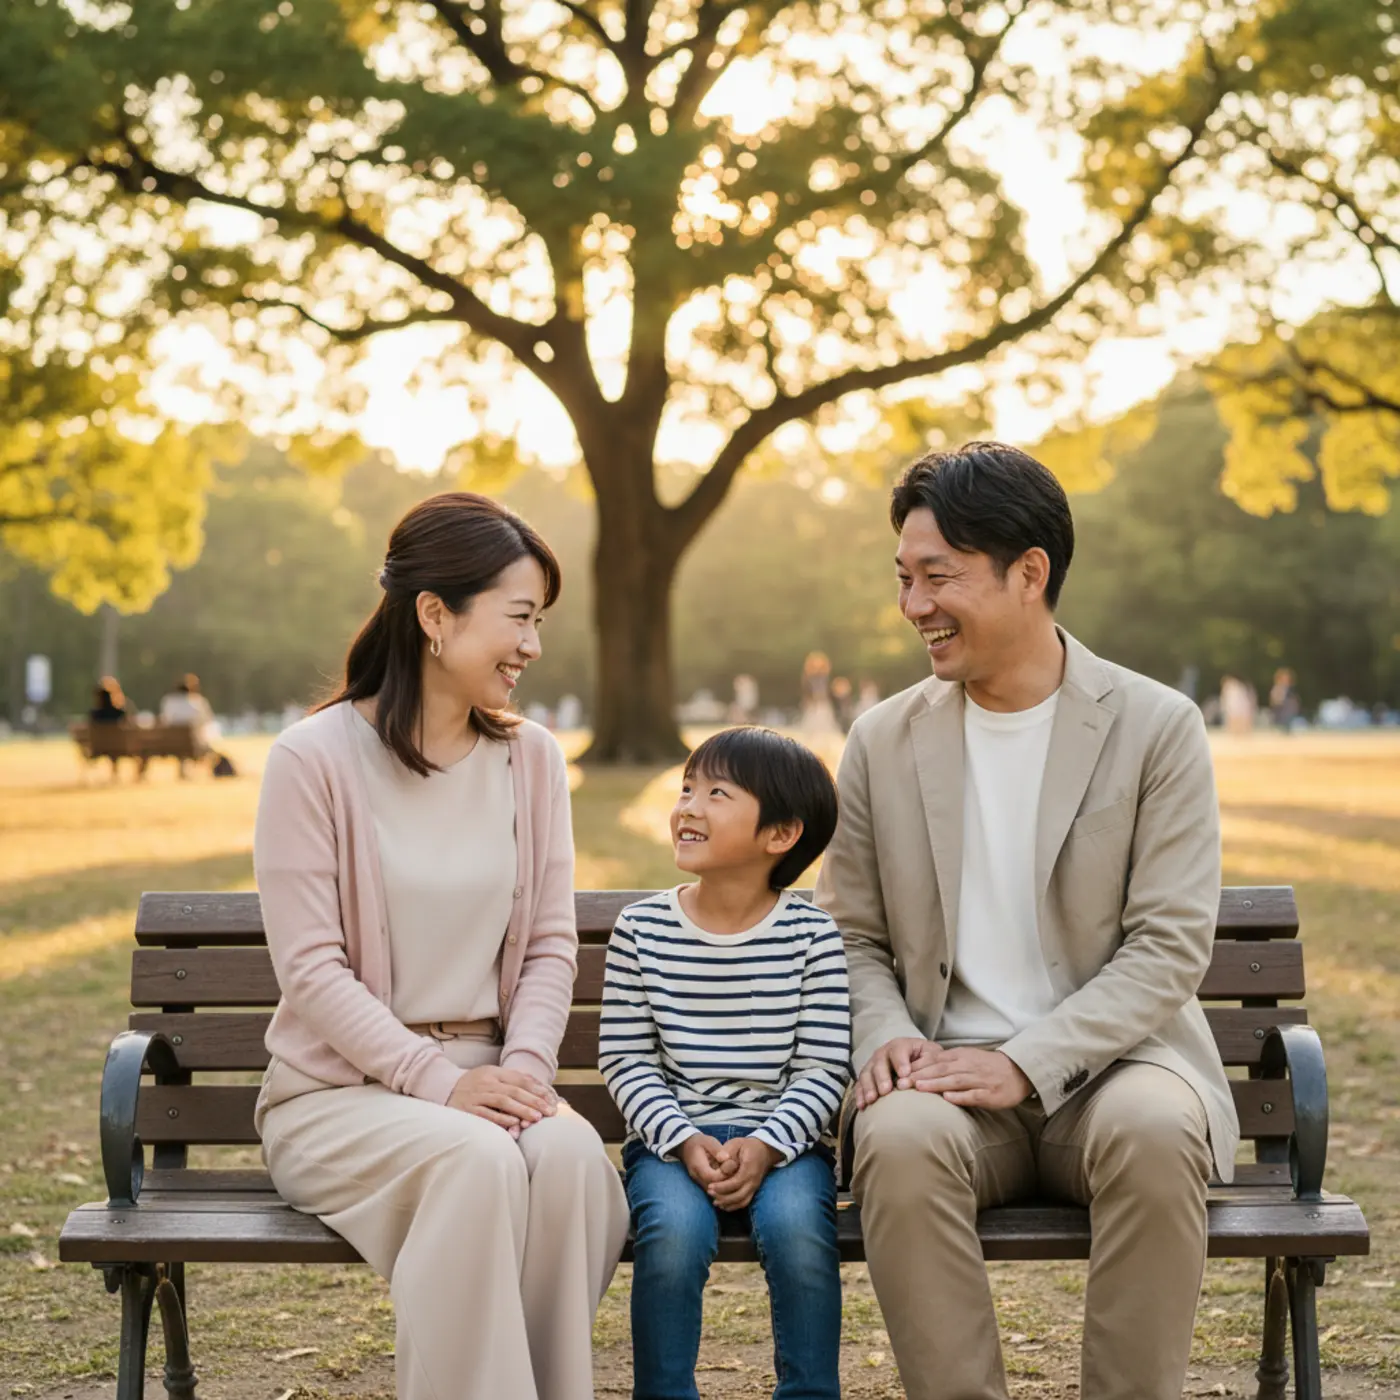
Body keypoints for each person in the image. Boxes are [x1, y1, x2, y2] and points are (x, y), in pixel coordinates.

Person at [815, 442, 1236, 1400]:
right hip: (947, 1076)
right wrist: (884, 1036)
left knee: (1158, 1132)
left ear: (1029, 574)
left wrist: (1028, 1062)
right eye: (904, 579)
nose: (914, 604)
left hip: (1117, 1070)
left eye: (938, 577)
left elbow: (1168, 947)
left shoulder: (1155, 725)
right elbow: (853, 935)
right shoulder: (883, 740)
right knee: (895, 1138)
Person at [252, 492, 629, 1400]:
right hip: (339, 1097)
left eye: (539, 622)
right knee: (475, 1160)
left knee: (574, 1160)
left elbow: (546, 944)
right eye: (519, 618)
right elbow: (311, 972)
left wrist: (527, 1071)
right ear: (434, 615)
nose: (533, 646)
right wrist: (441, 1083)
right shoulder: (312, 760)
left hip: (494, 1080)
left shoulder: (530, 759)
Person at [600, 727, 849, 1400]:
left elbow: (824, 1067)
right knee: (673, 1236)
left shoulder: (811, 935)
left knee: (800, 1237)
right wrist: (680, 1138)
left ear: (780, 834)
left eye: (716, 793)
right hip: (671, 1143)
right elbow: (626, 1057)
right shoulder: (641, 929)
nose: (688, 806)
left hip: (787, 1146)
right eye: (685, 789)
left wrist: (768, 1145)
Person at [159, 674, 220, 777]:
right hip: (193, 744)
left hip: (170, 743)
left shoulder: (168, 701)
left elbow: (164, 720)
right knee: (207, 747)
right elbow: (207, 720)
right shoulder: (198, 702)